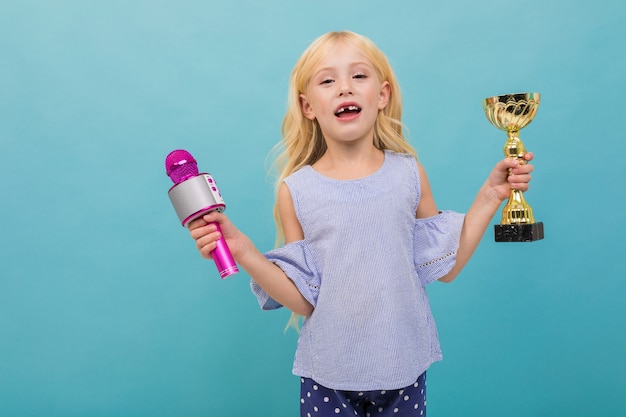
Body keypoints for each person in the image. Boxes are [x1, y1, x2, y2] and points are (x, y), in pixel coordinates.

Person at [188, 31, 535, 417]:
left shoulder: (409, 174)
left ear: (382, 95)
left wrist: (489, 196)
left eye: (358, 76)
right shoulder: (296, 190)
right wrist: (243, 251)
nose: (343, 89)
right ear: (307, 106)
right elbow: (304, 299)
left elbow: (445, 266)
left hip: (404, 368)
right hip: (328, 377)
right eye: (327, 80)